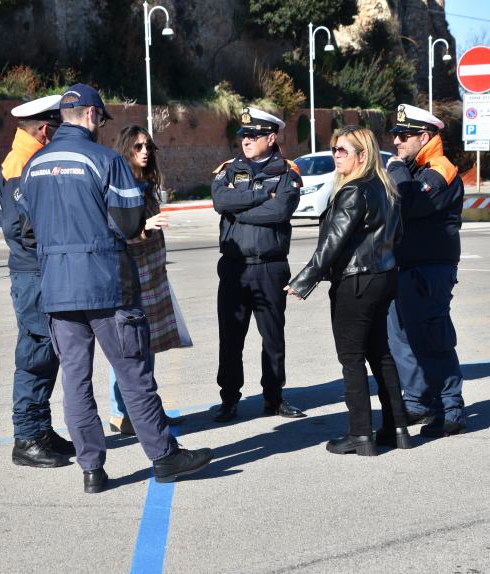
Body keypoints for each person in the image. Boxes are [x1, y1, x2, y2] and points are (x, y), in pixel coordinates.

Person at [18, 83, 213, 493]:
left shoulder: (33, 167)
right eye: (101, 119)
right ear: (91, 116)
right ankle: (163, 456)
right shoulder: (106, 161)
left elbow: (29, 229)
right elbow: (128, 225)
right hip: (108, 286)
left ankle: (91, 469)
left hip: (57, 288)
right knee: (134, 375)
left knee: (75, 381)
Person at [286, 126, 411, 456]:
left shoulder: (355, 190)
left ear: (362, 155)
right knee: (380, 354)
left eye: (342, 150)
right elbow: (396, 237)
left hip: (356, 282)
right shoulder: (385, 188)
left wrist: (304, 280)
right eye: (334, 150)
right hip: (383, 277)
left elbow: (333, 243)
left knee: (352, 360)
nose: (336, 155)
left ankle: (360, 435)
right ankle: (397, 428)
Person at [210, 107, 304, 423]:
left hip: (270, 266)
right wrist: (262, 193)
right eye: (244, 135)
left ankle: (274, 398)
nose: (246, 141)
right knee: (231, 338)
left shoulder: (286, 172)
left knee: (273, 338)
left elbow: (279, 212)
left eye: (253, 135)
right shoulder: (229, 168)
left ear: (271, 137)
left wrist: (241, 207)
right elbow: (221, 202)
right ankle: (229, 399)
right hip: (235, 268)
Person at [0, 94, 75, 468]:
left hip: (41, 271)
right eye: (57, 128)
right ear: (45, 129)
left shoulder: (32, 160)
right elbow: (21, 227)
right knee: (35, 355)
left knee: (46, 353)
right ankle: (27, 438)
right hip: (33, 273)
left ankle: (40, 429)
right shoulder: (21, 164)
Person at [385, 103, 466, 438]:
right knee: (399, 337)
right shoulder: (414, 167)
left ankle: (451, 409)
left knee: (432, 338)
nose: (398, 142)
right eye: (395, 136)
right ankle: (418, 401)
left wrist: (396, 171)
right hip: (404, 266)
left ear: (426, 135)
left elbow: (412, 203)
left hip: (429, 269)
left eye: (405, 136)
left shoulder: (439, 169)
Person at [107, 125, 188, 435]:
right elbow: (117, 233)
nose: (144, 151)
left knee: (148, 346)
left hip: (152, 276)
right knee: (130, 347)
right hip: (132, 277)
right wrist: (144, 226)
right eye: (138, 146)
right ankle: (122, 412)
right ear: (126, 148)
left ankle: (145, 411)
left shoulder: (145, 184)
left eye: (148, 147)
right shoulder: (120, 185)